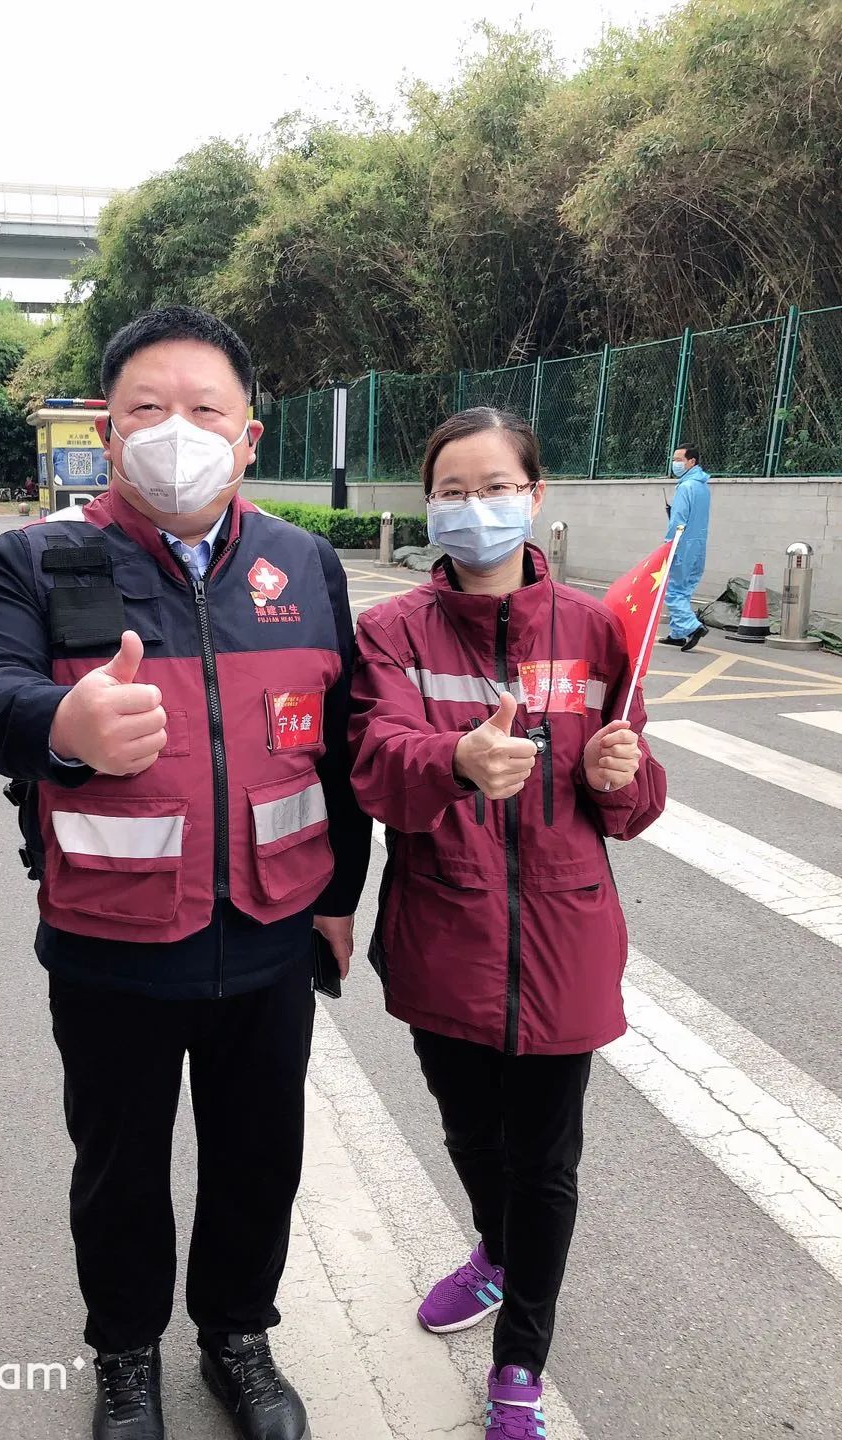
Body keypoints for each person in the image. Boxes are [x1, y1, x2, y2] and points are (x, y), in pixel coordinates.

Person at [0, 306, 370, 1440]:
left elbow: (344, 746)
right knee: (120, 1170)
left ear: (250, 436)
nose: (173, 431)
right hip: (111, 940)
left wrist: (338, 897)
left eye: (203, 410)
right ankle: (126, 1355)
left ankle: (238, 1336)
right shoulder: (39, 556)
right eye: (145, 409)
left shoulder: (303, 562)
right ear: (107, 426)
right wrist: (60, 721)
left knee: (259, 1156)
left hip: (271, 931)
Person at [348, 407, 666, 1439]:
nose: (472, 507)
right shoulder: (390, 633)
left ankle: (521, 1362)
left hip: (566, 941)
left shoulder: (596, 630)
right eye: (451, 489)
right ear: (427, 502)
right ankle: (494, 1251)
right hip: (446, 934)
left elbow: (634, 795)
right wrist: (453, 762)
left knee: (547, 1162)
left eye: (494, 487)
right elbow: (373, 765)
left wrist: (624, 776)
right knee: (470, 1134)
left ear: (535, 496)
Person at [659, 442, 711, 652]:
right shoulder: (702, 487)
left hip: (682, 544)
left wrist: (669, 544)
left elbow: (679, 520)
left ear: (692, 461)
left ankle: (692, 627)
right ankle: (678, 633)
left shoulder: (685, 487)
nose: (675, 464)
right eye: (674, 460)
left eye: (679, 460)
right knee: (684, 589)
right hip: (698, 545)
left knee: (672, 590)